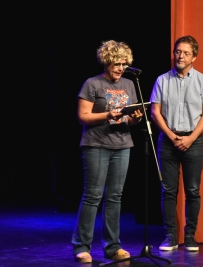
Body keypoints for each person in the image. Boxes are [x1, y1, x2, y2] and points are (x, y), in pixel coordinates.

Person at [71, 40, 143, 263]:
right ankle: (81, 246)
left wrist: (134, 119)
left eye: (124, 64)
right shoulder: (92, 84)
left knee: (115, 197)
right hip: (96, 144)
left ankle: (113, 246)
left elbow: (128, 119)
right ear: (107, 62)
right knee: (93, 196)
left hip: (122, 145)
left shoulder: (130, 84)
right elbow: (83, 116)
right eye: (117, 64)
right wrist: (107, 115)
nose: (121, 68)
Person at [149, 35, 203, 252]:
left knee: (193, 190)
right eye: (178, 51)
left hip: (193, 141)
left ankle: (190, 237)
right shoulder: (162, 80)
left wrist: (190, 138)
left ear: (194, 57)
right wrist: (171, 135)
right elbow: (155, 112)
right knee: (168, 191)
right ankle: (170, 237)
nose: (180, 56)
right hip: (168, 141)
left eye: (186, 53)